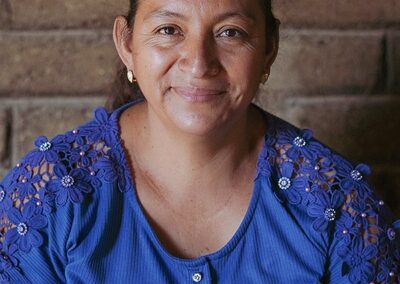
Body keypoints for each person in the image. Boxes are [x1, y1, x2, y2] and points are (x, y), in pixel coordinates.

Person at [0, 0, 399, 283]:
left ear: (269, 49)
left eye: (230, 32)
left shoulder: (337, 204)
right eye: (169, 29)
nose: (198, 62)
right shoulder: (49, 197)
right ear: (127, 45)